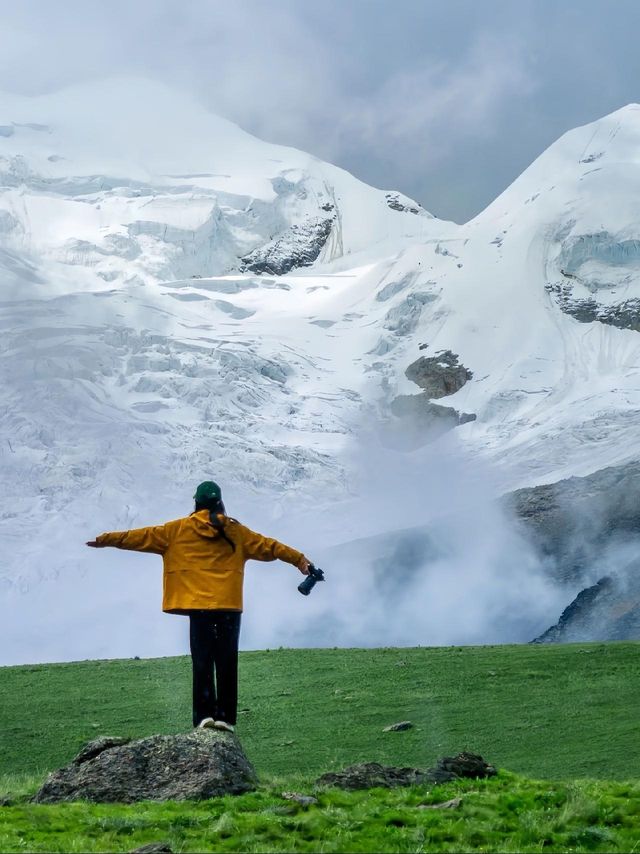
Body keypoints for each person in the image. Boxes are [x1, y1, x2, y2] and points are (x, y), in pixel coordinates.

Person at [86, 480, 311, 732]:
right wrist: (300, 560)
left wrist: (105, 539)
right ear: (220, 502)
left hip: (198, 607)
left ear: (196, 502)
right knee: (226, 662)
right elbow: (271, 546)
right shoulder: (236, 531)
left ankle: (204, 716)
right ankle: (225, 718)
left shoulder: (176, 530)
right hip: (228, 606)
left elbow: (137, 537)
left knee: (202, 661)